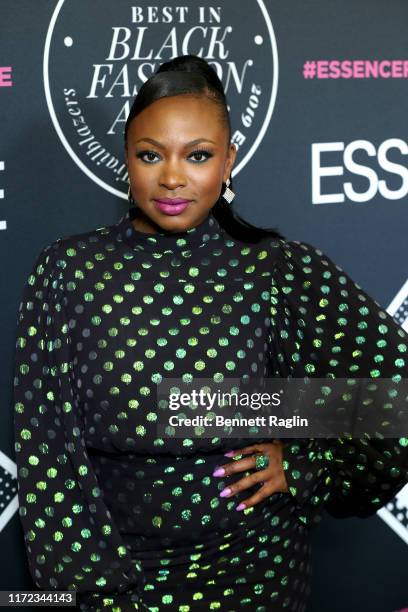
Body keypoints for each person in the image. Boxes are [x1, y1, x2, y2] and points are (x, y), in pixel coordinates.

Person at [13, 54, 408, 612]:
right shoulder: (68, 269)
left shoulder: (277, 268)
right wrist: (85, 588)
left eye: (197, 156)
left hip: (256, 569)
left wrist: (305, 463)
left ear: (228, 162)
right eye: (150, 155)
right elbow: (47, 441)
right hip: (118, 573)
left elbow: (393, 394)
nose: (172, 177)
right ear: (126, 158)